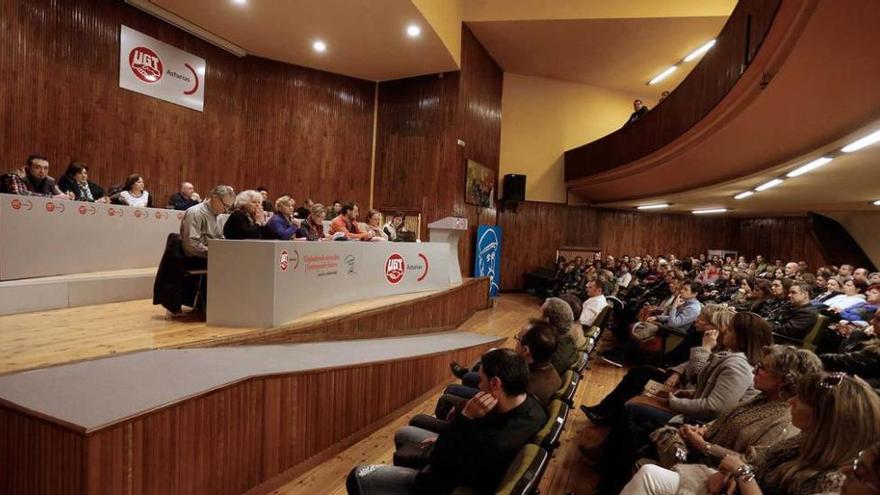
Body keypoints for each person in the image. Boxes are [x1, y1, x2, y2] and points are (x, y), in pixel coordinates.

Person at [588, 312, 772, 494]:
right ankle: (606, 462)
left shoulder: (738, 364)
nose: (725, 333)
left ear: (741, 336)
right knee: (636, 400)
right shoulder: (730, 356)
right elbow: (707, 387)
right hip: (693, 412)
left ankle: (608, 475)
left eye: (730, 329)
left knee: (634, 411)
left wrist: (677, 401)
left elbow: (712, 405)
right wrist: (688, 391)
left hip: (695, 422)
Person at [622, 372, 880, 495]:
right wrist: (731, 470)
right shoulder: (804, 439)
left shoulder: (834, 480)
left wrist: (740, 472)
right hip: (728, 482)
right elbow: (757, 460)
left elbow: (746, 463)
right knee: (648, 473)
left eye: (801, 400)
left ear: (822, 417)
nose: (791, 402)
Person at [620, 345, 823, 495]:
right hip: (700, 452)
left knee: (644, 461)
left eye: (762, 367)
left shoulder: (787, 418)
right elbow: (724, 417)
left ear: (783, 379)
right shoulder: (761, 397)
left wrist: (704, 445)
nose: (755, 370)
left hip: (720, 474)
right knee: (640, 437)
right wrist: (703, 430)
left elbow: (752, 462)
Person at [346, 349, 547, 495]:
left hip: (447, 483)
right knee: (404, 434)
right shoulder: (532, 408)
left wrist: (466, 417)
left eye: (481, 380)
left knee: (358, 476)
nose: (478, 385)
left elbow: (441, 461)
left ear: (495, 384)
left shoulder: (495, 443)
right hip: (461, 462)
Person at [580, 304, 734, 426]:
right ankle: (604, 411)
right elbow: (688, 362)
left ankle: (608, 415)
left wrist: (705, 348)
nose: (696, 320)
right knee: (638, 373)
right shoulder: (703, 337)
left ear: (712, 326)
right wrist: (677, 372)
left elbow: (696, 376)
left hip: (686, 393)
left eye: (700, 319)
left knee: (640, 376)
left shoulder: (717, 347)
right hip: (678, 377)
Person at [180, 185, 235, 260]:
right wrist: (215, 252)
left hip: (212, 257)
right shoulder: (195, 213)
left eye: (229, 207)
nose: (226, 210)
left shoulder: (219, 216)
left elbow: (219, 239)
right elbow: (191, 245)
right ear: (215, 197)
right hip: (196, 259)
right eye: (225, 206)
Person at [1, 155, 69, 198]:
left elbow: (60, 195)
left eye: (45, 168)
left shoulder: (49, 180)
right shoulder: (15, 176)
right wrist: (51, 197)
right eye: (37, 167)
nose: (42, 171)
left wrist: (67, 197)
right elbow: (20, 195)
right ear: (28, 167)